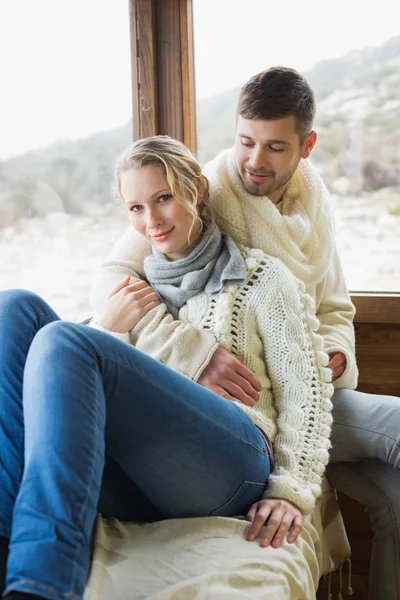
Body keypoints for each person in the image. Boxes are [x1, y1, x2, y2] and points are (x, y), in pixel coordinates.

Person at [90, 66, 400, 600]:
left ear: (308, 145)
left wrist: (332, 354)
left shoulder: (313, 202)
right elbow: (111, 281)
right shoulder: (201, 189)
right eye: (245, 141)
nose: (255, 161)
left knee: (393, 492)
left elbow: (333, 306)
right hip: (248, 397)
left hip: (305, 378)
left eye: (276, 147)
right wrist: (194, 352)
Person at [0, 135, 334, 600]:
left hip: (231, 464)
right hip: (140, 480)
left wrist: (290, 488)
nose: (151, 220)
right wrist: (110, 328)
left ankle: (43, 586)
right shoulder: (129, 290)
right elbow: (88, 388)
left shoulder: (262, 278)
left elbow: (306, 390)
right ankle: (7, 540)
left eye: (163, 198)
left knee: (64, 337)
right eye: (135, 208)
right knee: (13, 307)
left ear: (195, 189)